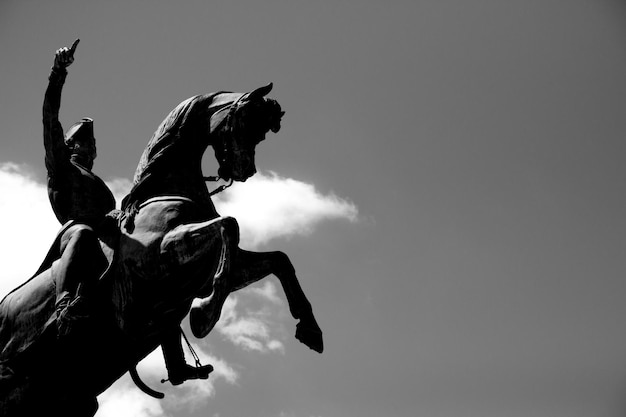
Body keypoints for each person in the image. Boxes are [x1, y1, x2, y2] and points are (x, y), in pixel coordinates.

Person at [43, 40, 211, 384]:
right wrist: (58, 73)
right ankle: (62, 304)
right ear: (71, 147)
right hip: (76, 233)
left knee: (152, 268)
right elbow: (50, 119)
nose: (92, 151)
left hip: (108, 237)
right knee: (85, 233)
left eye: (94, 147)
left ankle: (175, 365)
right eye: (86, 145)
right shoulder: (61, 167)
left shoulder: (99, 184)